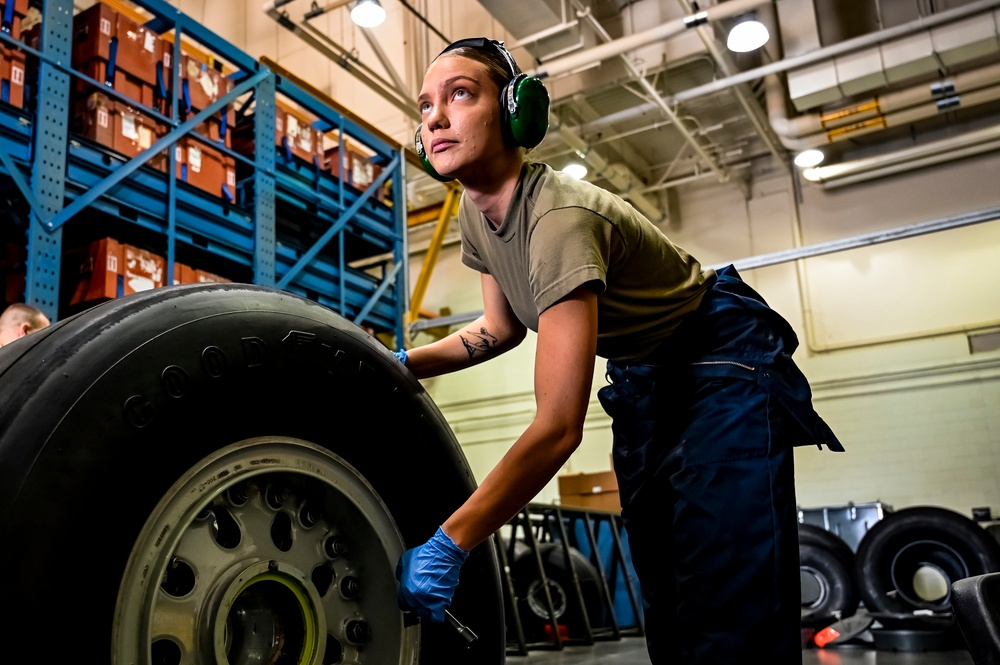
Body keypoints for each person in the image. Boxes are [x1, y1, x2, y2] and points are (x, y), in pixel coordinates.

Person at [395, 37, 844, 665]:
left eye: (460, 94)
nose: (435, 118)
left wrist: (452, 542)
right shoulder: (476, 215)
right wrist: (402, 364)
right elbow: (498, 330)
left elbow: (557, 430)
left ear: (516, 111)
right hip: (645, 378)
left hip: (719, 362)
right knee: (669, 601)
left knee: (727, 605)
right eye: (425, 105)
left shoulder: (558, 219)